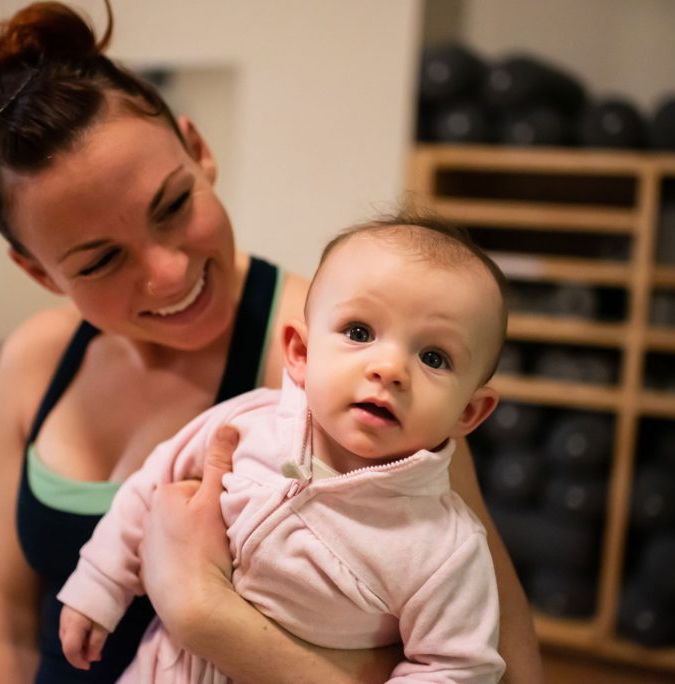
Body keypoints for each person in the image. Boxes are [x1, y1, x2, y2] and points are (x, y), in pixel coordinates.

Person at [0, 1, 543, 682]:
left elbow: (499, 665)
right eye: (99, 261)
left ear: (200, 153)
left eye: (173, 206)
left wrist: (200, 611)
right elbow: (11, 630)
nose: (168, 273)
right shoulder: (34, 359)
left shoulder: (352, 362)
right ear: (37, 271)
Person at [58, 217, 509, 683]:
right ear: (299, 352)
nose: (390, 368)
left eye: (433, 357)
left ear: (469, 414)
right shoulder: (249, 423)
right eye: (359, 332)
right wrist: (100, 585)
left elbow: (456, 667)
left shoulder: (443, 549)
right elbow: (153, 482)